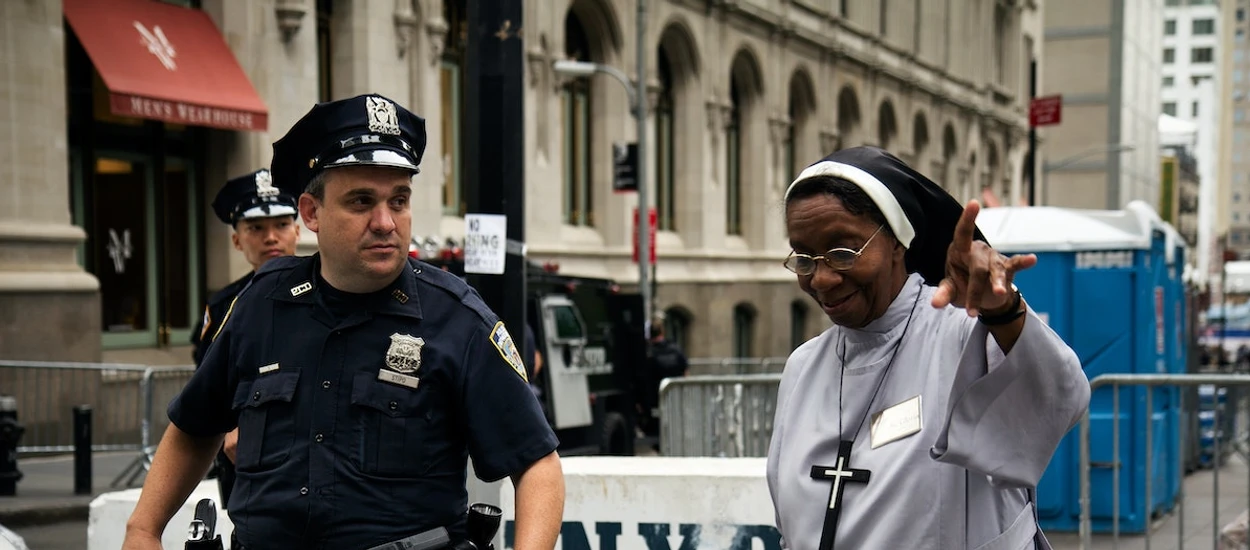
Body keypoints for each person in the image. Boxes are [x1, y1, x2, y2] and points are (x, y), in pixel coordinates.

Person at [122, 94, 564, 550]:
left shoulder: (457, 319)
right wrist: (143, 529)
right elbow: (195, 425)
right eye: (361, 201)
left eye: (399, 200)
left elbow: (537, 465)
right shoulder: (263, 304)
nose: (385, 222)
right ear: (312, 212)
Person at [765, 146, 1091, 550]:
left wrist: (1004, 310)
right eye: (805, 258)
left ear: (898, 242)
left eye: (843, 252)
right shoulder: (802, 367)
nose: (822, 279)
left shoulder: (965, 336)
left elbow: (1062, 395)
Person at [190, 168, 301, 510]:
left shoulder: (330, 292)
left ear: (298, 230)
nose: (271, 237)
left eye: (282, 225)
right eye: (256, 228)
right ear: (237, 240)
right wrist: (229, 428)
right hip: (247, 464)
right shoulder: (225, 305)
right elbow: (210, 386)